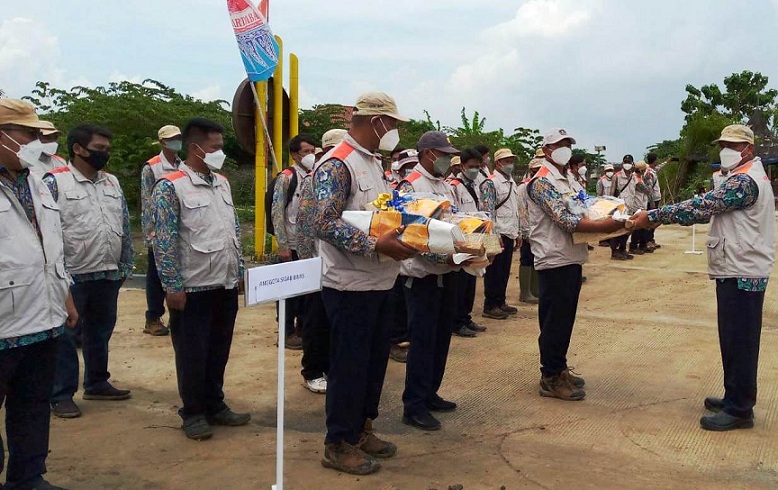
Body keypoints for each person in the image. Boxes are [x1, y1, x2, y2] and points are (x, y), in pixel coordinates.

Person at [633, 124, 775, 431]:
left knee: (740, 340)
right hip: (736, 266)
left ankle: (740, 409)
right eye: (722, 144)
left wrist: (653, 216)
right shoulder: (741, 177)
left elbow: (703, 206)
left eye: (731, 145)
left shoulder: (745, 182)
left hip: (743, 271)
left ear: (747, 149)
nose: (724, 150)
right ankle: (734, 395)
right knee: (733, 338)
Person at [312, 92, 414, 475]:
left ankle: (362, 428)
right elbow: (321, 222)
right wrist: (374, 244)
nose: (395, 132)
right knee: (350, 367)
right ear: (375, 122)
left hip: (380, 280)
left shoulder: (373, 163)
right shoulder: (337, 164)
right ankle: (338, 441)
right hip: (349, 284)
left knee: (373, 366)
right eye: (393, 125)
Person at [152, 118, 249, 441]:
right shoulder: (171, 186)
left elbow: (233, 230)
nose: (220, 153)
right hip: (192, 287)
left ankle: (215, 404)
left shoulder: (222, 183)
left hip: (223, 283)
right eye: (215, 148)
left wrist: (240, 271)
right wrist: (172, 285)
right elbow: (163, 240)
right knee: (193, 353)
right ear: (195, 148)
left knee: (219, 349)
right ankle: (193, 412)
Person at [0, 99, 76, 490]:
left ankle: (28, 477)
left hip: (42, 320)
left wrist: (64, 295)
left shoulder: (37, 180)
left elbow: (51, 247)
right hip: (3, 325)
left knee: (31, 408)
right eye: (27, 134)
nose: (36, 141)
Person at [527, 128, 628, 401]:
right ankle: (549, 376)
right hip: (553, 258)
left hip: (570, 255)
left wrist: (608, 214)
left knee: (564, 319)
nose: (564, 148)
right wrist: (605, 226)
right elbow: (566, 220)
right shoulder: (542, 182)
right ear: (546, 150)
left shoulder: (567, 178)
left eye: (567, 144)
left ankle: (559, 368)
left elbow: (583, 207)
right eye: (559, 145)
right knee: (554, 321)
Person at [45, 124, 134, 419]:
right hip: (71, 275)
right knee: (67, 335)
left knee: (100, 331)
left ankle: (96, 382)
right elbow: (46, 231)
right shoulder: (55, 182)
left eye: (107, 149)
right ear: (78, 149)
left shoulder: (111, 183)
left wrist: (124, 265)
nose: (104, 154)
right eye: (99, 149)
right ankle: (61, 394)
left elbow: (123, 224)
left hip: (107, 272)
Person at [396, 131, 463, 431]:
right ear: (427, 154)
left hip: (447, 272)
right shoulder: (410, 186)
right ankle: (414, 405)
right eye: (444, 153)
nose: (448, 159)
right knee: (422, 341)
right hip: (421, 275)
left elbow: (454, 222)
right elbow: (413, 234)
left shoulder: (443, 185)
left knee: (440, 338)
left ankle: (431, 392)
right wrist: (447, 258)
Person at [294, 129, 348, 394]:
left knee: (334, 321)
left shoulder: (341, 174)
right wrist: (308, 264)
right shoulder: (315, 178)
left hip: (339, 261)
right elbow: (304, 223)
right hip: (318, 261)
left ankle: (329, 367)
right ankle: (312, 370)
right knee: (316, 319)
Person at [272, 133, 317, 350]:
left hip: (308, 245)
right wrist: (282, 245)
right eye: (305, 151)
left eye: (312, 151)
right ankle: (286, 331)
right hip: (290, 243)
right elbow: (277, 212)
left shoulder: (315, 175)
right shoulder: (287, 177)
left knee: (306, 292)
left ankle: (302, 329)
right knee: (288, 293)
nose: (310, 155)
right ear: (294, 155)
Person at [140, 125, 183, 337]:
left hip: (178, 231)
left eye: (178, 138)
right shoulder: (152, 167)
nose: (176, 142)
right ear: (162, 142)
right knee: (155, 277)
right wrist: (151, 234)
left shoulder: (182, 165)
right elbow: (147, 202)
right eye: (171, 139)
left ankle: (177, 316)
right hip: (158, 231)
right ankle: (153, 317)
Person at [450, 148, 498, 333]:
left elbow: (487, 214)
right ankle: (457, 322)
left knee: (472, 278)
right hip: (462, 239)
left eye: (479, 167)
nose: (475, 170)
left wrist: (491, 243)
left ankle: (466, 317)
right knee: (460, 281)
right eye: (471, 167)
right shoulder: (454, 186)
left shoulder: (481, 184)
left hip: (477, 237)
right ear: (462, 166)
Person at [483, 148, 520, 319]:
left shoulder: (511, 182)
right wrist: (494, 234)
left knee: (504, 270)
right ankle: (490, 305)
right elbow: (488, 211)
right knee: (493, 270)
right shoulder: (491, 182)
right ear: (498, 163)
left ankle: (500, 301)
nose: (510, 164)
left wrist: (518, 231)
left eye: (511, 161)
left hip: (509, 231)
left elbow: (515, 209)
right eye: (507, 161)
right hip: (495, 233)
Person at [517, 153, 542, 304]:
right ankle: (525, 292)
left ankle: (535, 290)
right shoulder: (523, 187)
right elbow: (522, 210)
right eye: (536, 169)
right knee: (526, 258)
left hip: (538, 228)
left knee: (536, 258)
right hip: (528, 229)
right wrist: (525, 231)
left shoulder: (541, 185)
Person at [609, 155, 637, 260]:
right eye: (625, 161)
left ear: (632, 163)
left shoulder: (634, 177)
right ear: (622, 163)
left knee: (627, 230)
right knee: (617, 230)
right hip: (619, 208)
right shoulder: (617, 176)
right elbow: (612, 193)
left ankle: (622, 249)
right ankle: (614, 251)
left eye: (629, 162)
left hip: (630, 208)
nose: (627, 164)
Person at [645, 153, 662, 250]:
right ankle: (648, 240)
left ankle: (651, 239)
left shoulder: (652, 171)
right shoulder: (648, 173)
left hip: (656, 199)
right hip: (652, 200)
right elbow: (649, 189)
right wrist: (651, 203)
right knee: (650, 221)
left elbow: (659, 167)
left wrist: (668, 161)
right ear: (654, 160)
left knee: (654, 220)